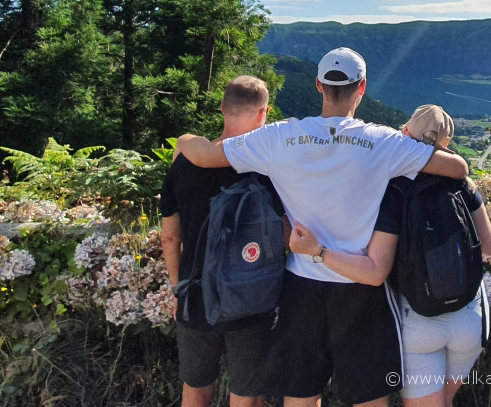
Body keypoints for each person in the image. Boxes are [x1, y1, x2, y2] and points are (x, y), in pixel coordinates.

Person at [175, 47, 469, 407]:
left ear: (318, 85)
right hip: (360, 288)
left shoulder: (279, 137)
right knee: (367, 398)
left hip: (299, 286)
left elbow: (205, 156)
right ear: (361, 88)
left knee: (299, 396)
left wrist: (184, 140)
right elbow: (458, 170)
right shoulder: (385, 142)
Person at [289, 104, 491, 407]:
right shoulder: (462, 183)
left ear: (406, 133)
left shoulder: (394, 188)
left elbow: (376, 269)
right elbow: (488, 247)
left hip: (418, 318)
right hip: (468, 316)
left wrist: (318, 250)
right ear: (447, 144)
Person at [160, 75, 287, 407]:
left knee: (195, 388)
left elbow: (170, 237)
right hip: (254, 298)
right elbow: (286, 234)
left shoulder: (184, 162)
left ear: (222, 108)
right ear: (265, 113)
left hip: (195, 293)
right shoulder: (271, 168)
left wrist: (178, 289)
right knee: (246, 394)